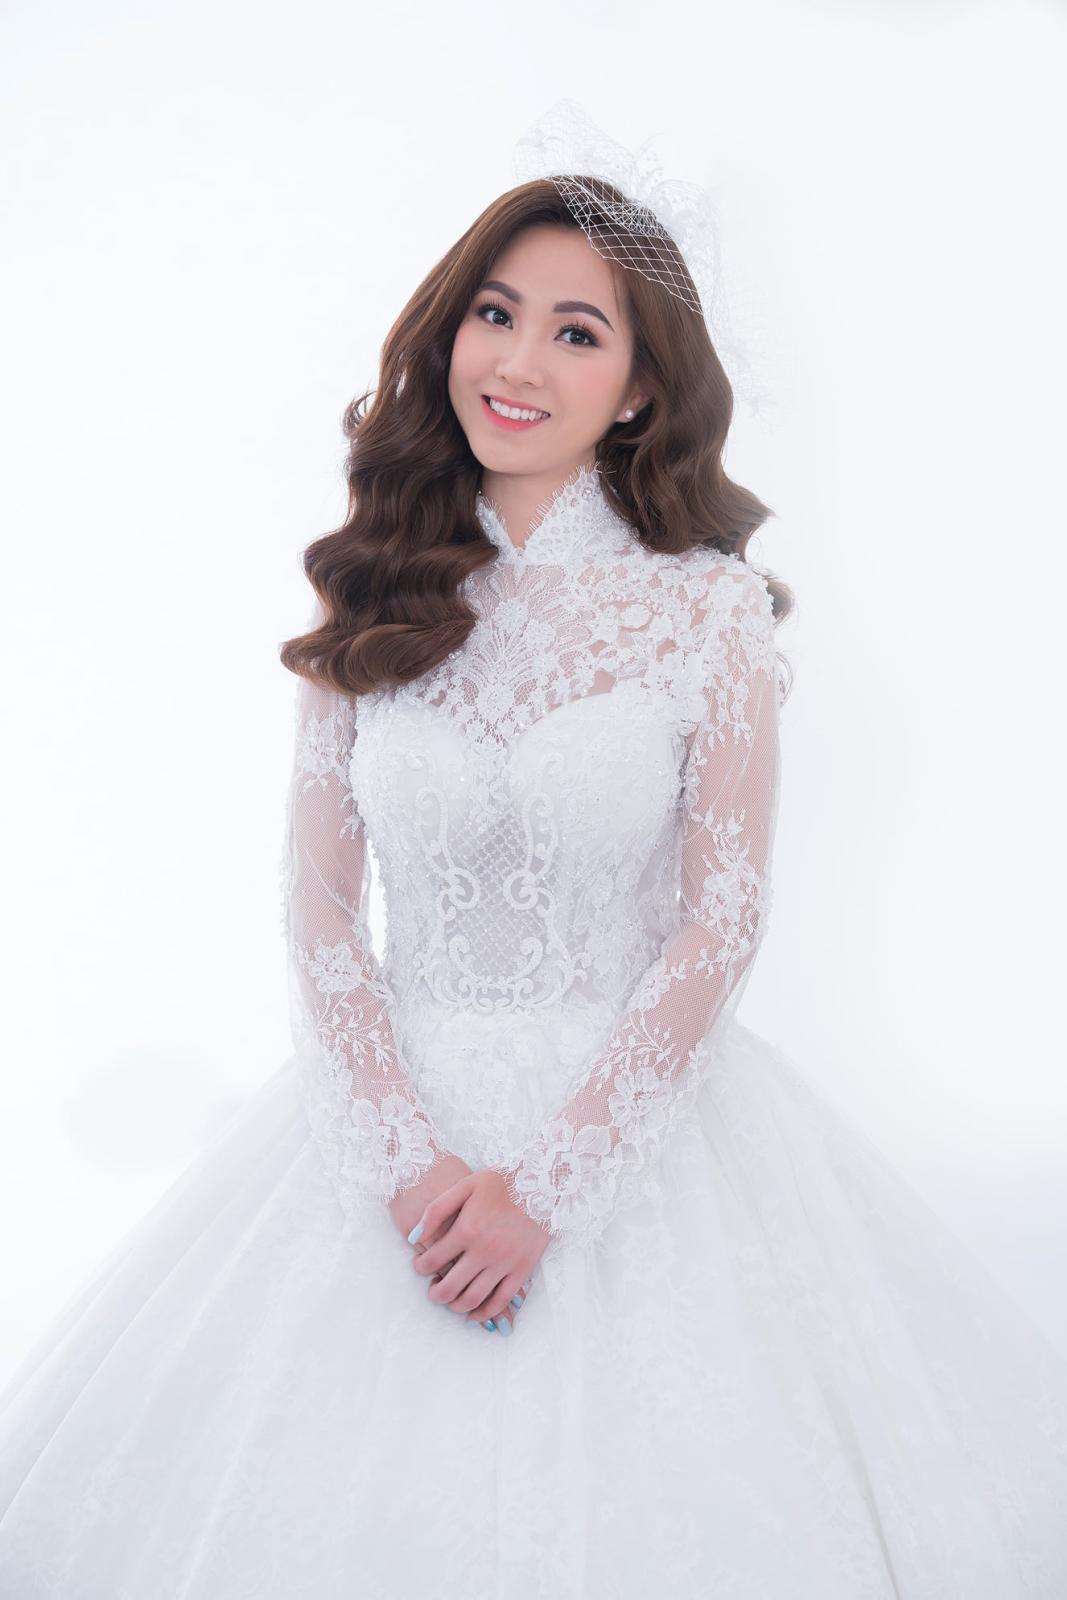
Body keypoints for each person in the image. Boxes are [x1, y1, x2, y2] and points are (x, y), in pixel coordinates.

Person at [2, 155, 1066, 1600]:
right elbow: (320, 912)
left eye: (577, 331)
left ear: (638, 388)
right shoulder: (370, 589)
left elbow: (721, 923)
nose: (518, 362)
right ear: (448, 333)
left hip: (640, 1136)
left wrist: (552, 1187)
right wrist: (405, 1167)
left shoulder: (706, 609)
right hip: (385, 1135)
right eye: (495, 314)